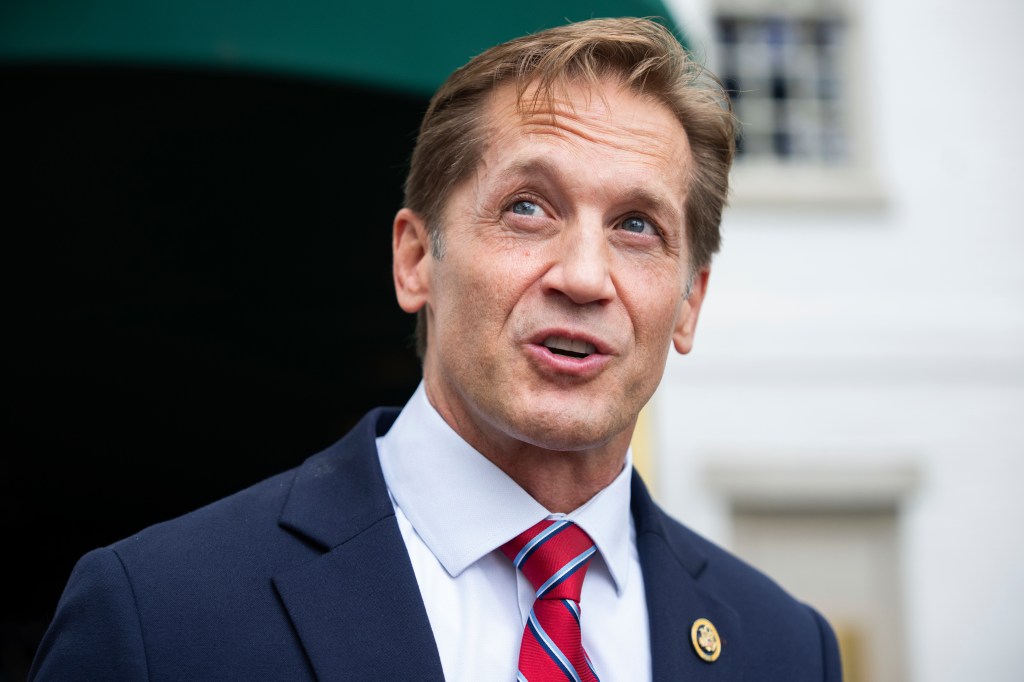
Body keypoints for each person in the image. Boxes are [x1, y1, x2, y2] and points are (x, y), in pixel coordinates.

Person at [30, 17, 842, 681]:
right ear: (416, 259)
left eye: (637, 227)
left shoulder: (785, 650)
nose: (586, 277)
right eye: (528, 208)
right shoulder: (157, 615)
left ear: (689, 303)